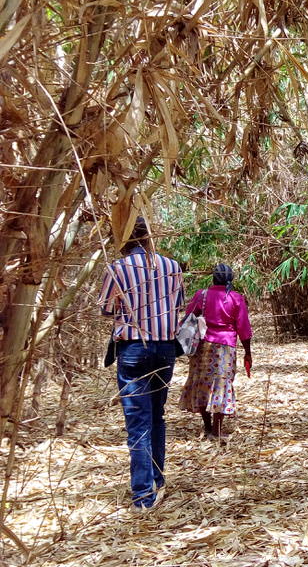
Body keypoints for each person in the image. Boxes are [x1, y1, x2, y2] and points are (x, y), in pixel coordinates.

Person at [99, 217, 183, 512]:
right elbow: (177, 305)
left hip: (133, 349)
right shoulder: (172, 267)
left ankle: (143, 496)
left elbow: (107, 309)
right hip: (164, 349)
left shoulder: (116, 268)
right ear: (149, 236)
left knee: (138, 423)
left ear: (122, 238)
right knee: (156, 415)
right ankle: (156, 482)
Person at [179, 264, 253, 439]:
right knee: (221, 384)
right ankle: (217, 430)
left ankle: (207, 427)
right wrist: (247, 352)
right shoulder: (235, 298)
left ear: (213, 278)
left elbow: (189, 316)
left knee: (201, 383)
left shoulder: (201, 295)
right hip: (225, 347)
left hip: (202, 346)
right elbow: (243, 327)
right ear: (230, 279)